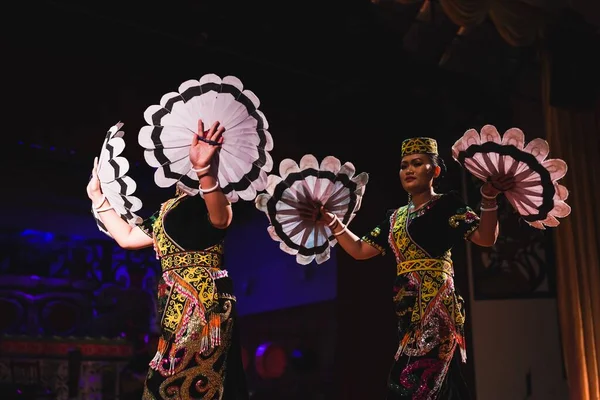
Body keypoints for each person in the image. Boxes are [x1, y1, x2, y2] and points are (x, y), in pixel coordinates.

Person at [318, 137, 513, 399]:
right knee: (433, 388)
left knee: (413, 386)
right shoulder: (394, 217)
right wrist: (333, 223)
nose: (408, 170)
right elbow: (360, 250)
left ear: (435, 171)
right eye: (404, 165)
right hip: (407, 314)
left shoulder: (448, 205)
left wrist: (488, 198)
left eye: (417, 163)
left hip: (437, 309)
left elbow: (485, 238)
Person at [86, 120, 249, 399]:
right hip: (172, 307)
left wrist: (203, 170)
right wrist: (96, 196)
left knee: (195, 382)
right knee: (165, 383)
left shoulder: (212, 200)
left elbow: (221, 219)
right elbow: (126, 237)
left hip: (204, 305)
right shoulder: (164, 211)